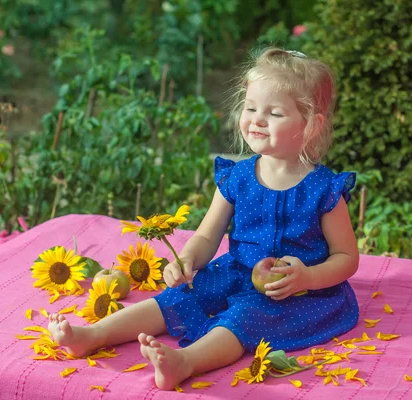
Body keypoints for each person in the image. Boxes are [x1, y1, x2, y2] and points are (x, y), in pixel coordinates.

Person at [47, 47, 360, 390]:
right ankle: (92, 334)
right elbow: (207, 237)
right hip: (238, 271)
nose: (256, 119)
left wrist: (308, 278)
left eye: (274, 113)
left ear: (311, 125)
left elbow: (346, 258)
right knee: (181, 295)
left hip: (297, 293)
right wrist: (186, 260)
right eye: (251, 107)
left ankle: (186, 362)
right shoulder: (238, 177)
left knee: (245, 317)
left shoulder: (323, 188)